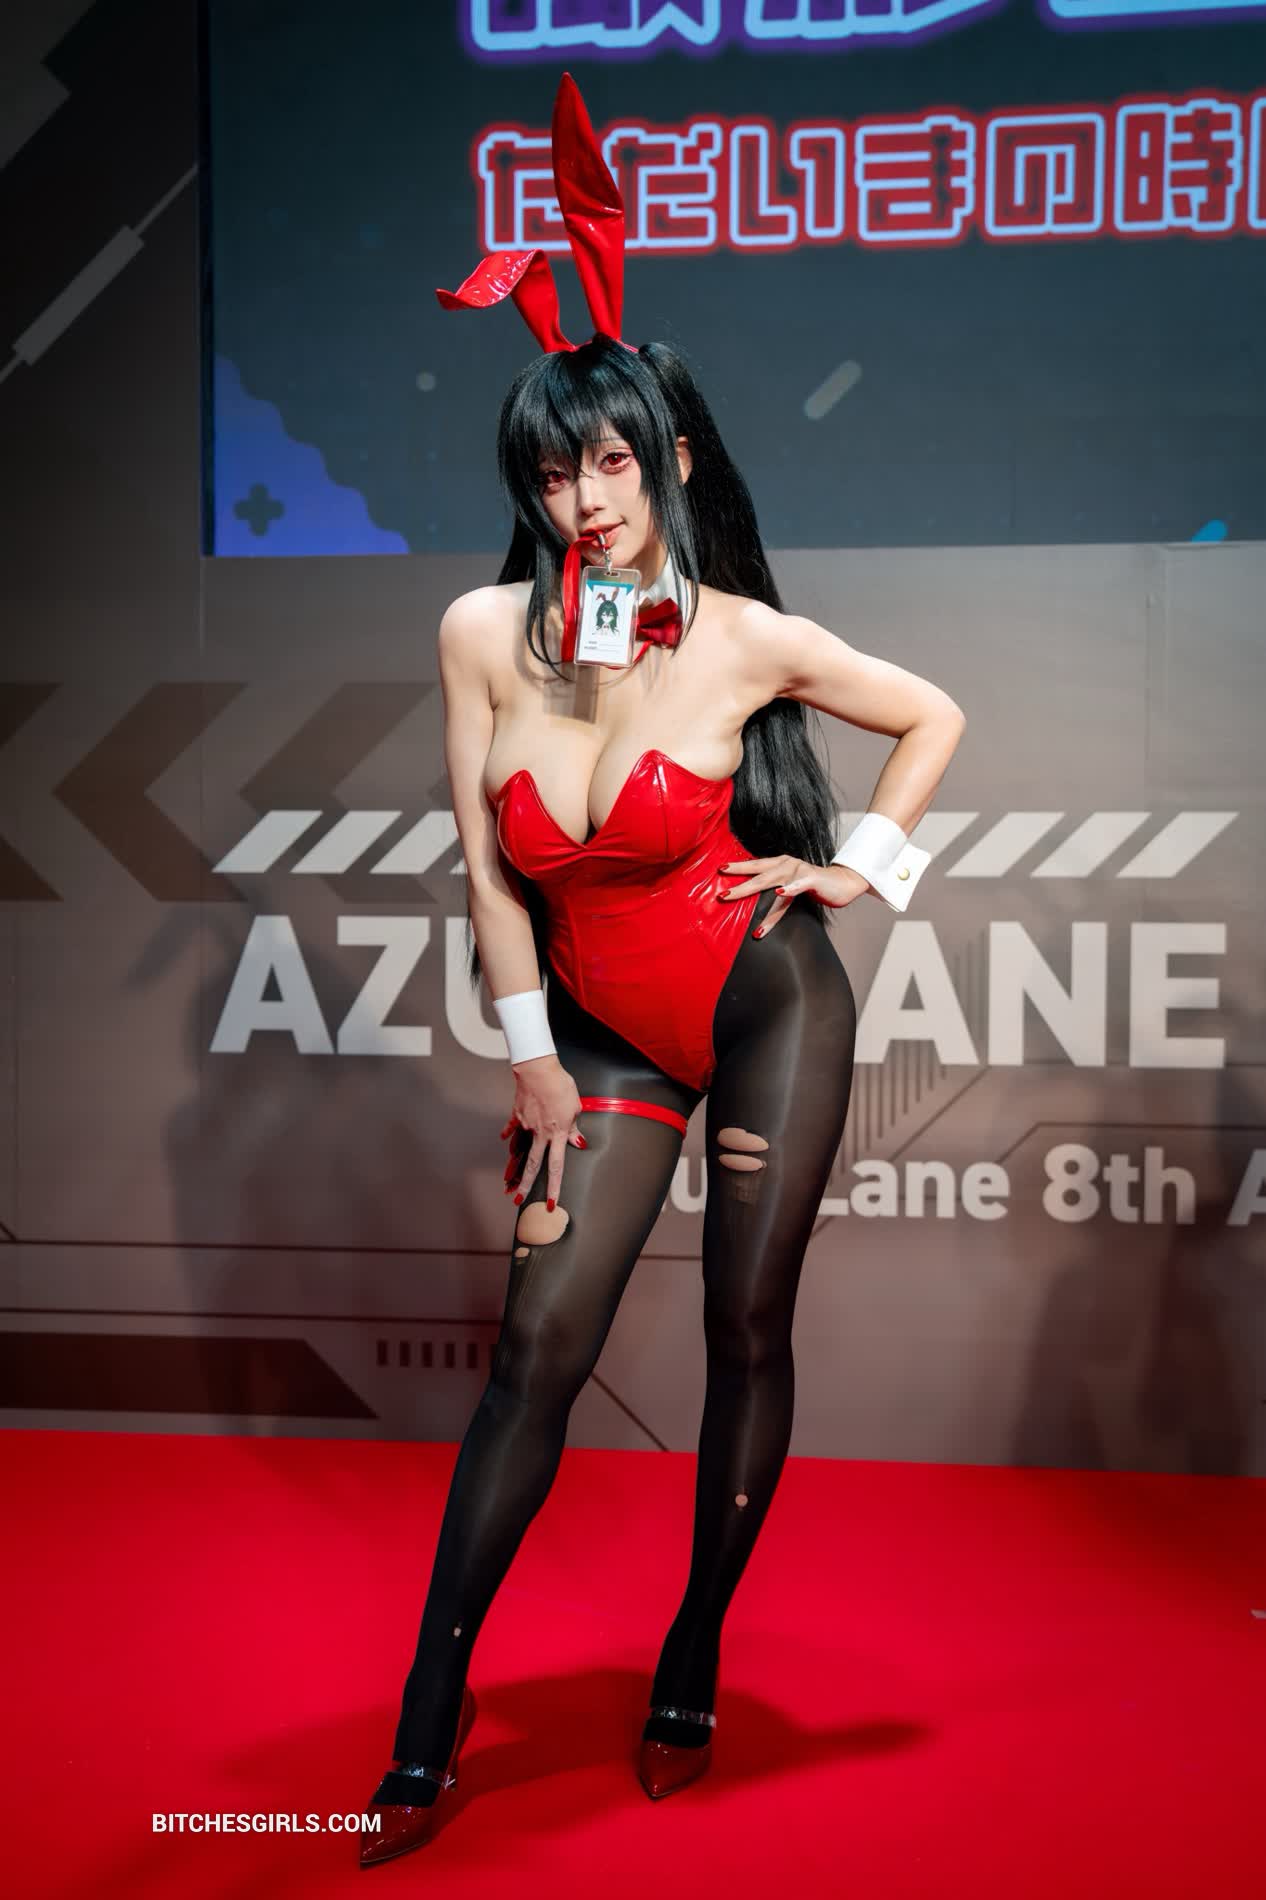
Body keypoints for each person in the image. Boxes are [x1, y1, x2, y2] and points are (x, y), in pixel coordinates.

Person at [359, 75, 965, 1868]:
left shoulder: (746, 636)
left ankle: (692, 1648)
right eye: (552, 471)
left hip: (765, 1005)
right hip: (599, 1035)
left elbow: (930, 714)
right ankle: (424, 1718)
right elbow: (489, 868)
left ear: (671, 461)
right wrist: (530, 1057)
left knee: (740, 1330)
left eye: (611, 462)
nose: (582, 498)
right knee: (535, 1351)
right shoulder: (482, 630)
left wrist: (855, 870)